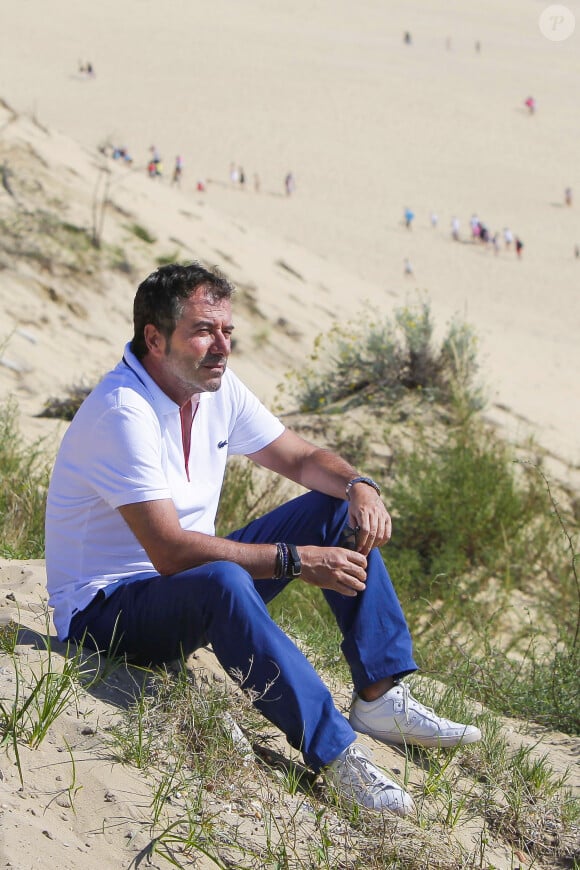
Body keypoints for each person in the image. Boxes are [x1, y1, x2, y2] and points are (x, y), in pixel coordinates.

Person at [45, 263, 481, 817]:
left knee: (330, 508)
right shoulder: (122, 411)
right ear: (154, 338)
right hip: (101, 616)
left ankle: (380, 698)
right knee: (223, 578)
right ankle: (337, 754)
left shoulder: (211, 390)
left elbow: (299, 458)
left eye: (228, 332)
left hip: (178, 589)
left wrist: (359, 486)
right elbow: (171, 551)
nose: (221, 346)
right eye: (204, 330)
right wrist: (293, 562)